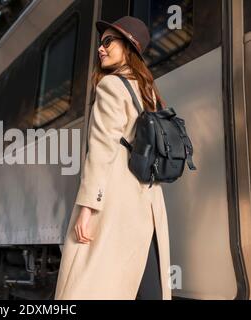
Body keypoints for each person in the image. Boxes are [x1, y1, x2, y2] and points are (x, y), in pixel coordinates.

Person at [54, 16, 171, 300]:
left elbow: (102, 150)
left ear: (128, 46)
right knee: (145, 284)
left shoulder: (110, 86)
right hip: (148, 203)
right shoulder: (148, 91)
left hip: (115, 202)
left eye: (108, 42)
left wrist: (87, 208)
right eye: (100, 43)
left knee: (89, 285)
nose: (100, 49)